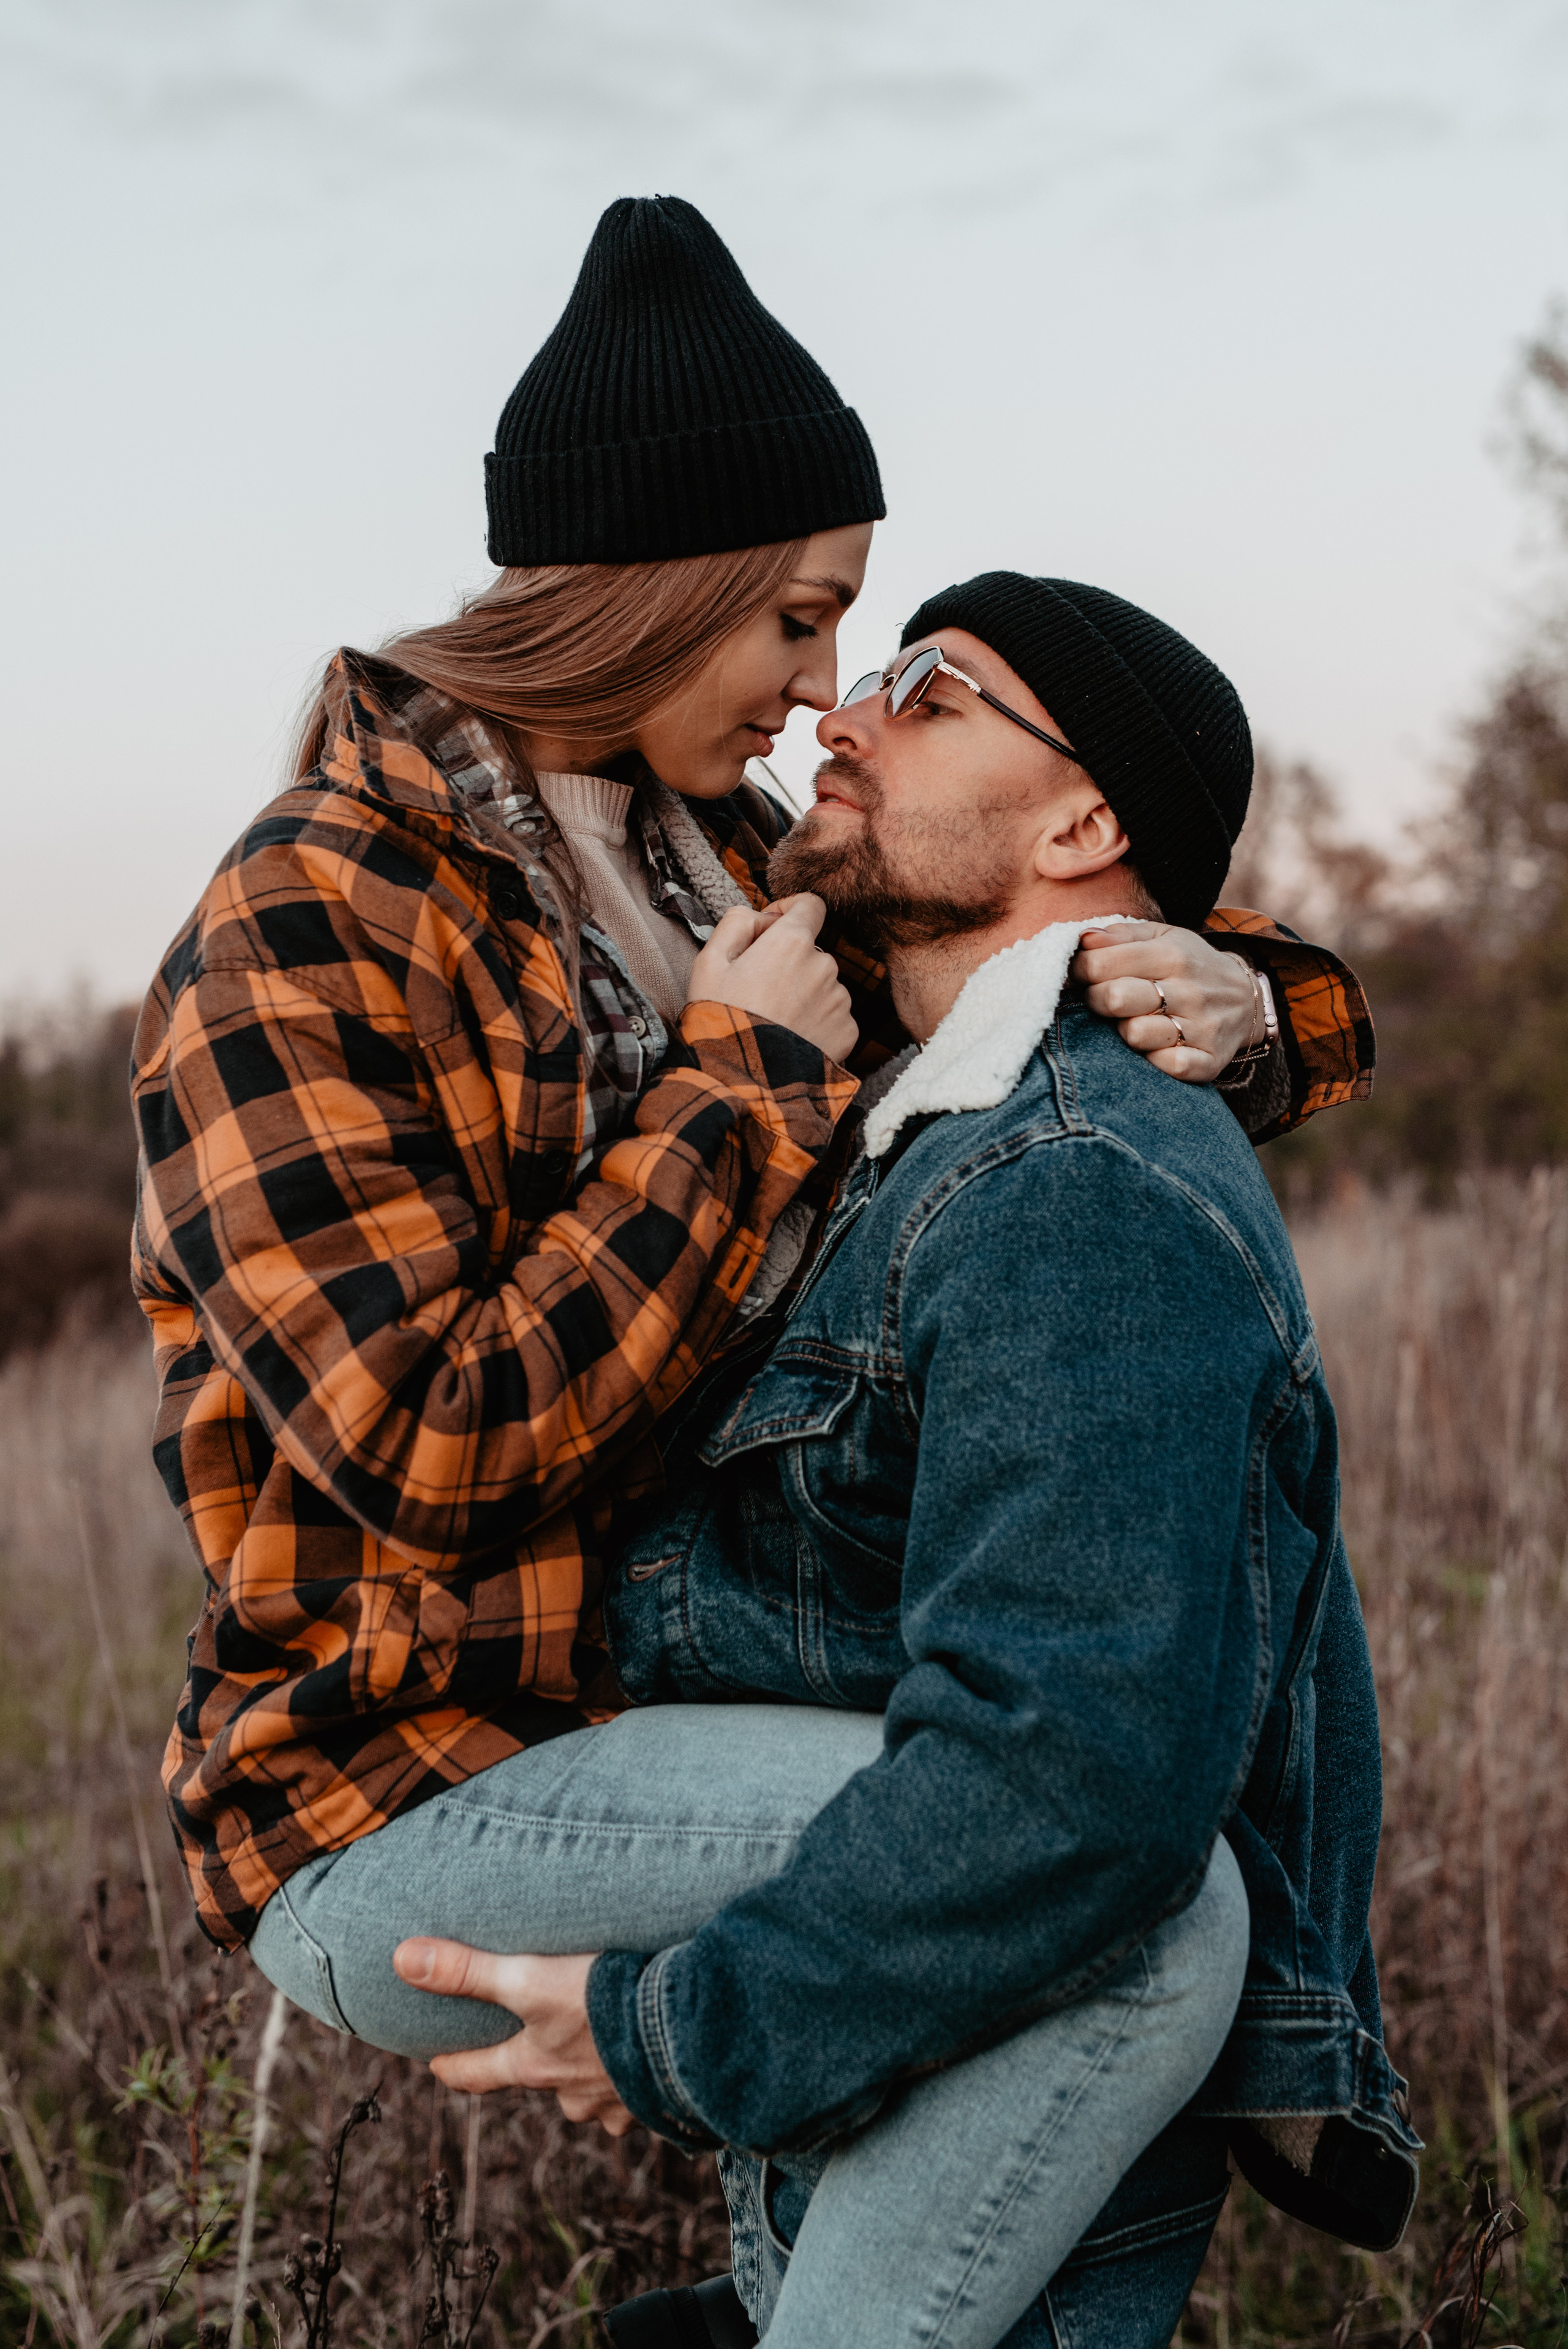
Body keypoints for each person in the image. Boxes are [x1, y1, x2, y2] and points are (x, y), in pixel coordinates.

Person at [129, 197, 1375, 2348]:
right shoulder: (309, 924)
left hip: (686, 1706)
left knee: (1058, 1890)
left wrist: (1265, 1003)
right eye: (802, 623)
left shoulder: (709, 863)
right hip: (416, 1773)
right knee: (1132, 1912)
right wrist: (722, 1091)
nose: (821, 698)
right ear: (656, 596)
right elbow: (421, 1451)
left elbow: (1013, 986)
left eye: (863, 642)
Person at [401, 575, 1422, 2349]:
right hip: (926, 2063)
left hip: (1032, 2050)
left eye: (926, 690)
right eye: (855, 670)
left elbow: (1069, 1786)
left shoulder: (1073, 1184)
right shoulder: (915, 1110)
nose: (835, 719)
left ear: (1084, 820)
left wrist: (664, 2033)